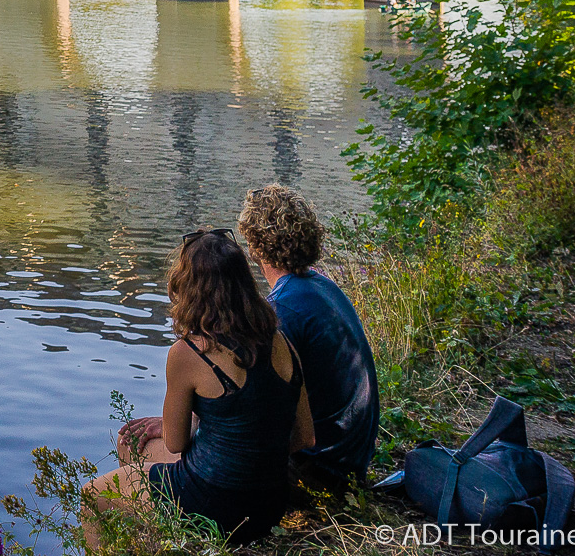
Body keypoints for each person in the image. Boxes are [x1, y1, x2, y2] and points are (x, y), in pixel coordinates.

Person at [84, 229, 312, 547]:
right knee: (135, 447)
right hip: (269, 506)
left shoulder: (189, 353)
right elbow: (305, 437)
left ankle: (171, 537)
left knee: (93, 494)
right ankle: (166, 542)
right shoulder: (282, 341)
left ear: (189, 288)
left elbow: (176, 443)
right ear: (244, 284)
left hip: (215, 505)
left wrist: (224, 458)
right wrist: (245, 455)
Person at [236, 184, 379, 488]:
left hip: (323, 468)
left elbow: (260, 411)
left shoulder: (281, 311)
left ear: (255, 248)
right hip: (352, 457)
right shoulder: (324, 287)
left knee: (149, 447)